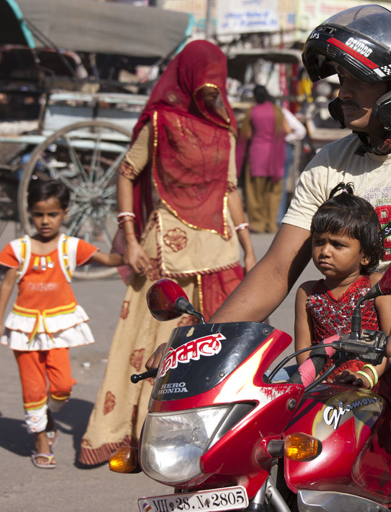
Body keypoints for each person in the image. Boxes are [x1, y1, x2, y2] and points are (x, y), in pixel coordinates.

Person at [149, 6, 391, 510]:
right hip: (344, 364)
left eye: (358, 79)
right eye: (340, 78)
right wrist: (202, 347)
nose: (342, 90)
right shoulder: (326, 164)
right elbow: (277, 268)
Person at [78, 40, 256, 466]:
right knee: (151, 347)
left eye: (219, 80)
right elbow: (126, 173)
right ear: (189, 75)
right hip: (164, 255)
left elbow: (230, 192)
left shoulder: (225, 129)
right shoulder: (160, 122)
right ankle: (140, 435)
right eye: (206, 79)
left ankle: (205, 438)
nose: (213, 88)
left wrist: (249, 250)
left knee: (216, 345)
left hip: (219, 252)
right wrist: (132, 238)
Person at [0, 179, 123, 469]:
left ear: (65, 213)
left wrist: (134, 250)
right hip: (24, 329)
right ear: (31, 213)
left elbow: (110, 259)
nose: (45, 220)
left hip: (58, 329)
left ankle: (48, 416)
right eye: (39, 214)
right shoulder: (19, 249)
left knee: (61, 386)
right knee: (33, 388)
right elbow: (6, 286)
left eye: (52, 214)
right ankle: (40, 439)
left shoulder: (71, 246)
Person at [294, 183, 391, 387]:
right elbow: (304, 350)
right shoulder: (307, 292)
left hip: (374, 382)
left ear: (366, 255)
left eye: (337, 245)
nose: (324, 251)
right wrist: (314, 383)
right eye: (319, 242)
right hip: (323, 383)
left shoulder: (377, 285)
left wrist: (366, 376)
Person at [237, 84, 290, 233]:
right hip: (275, 156)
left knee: (255, 192)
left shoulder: (252, 112)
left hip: (257, 155)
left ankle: (258, 224)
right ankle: (271, 224)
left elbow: (246, 134)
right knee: (273, 191)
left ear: (255, 96)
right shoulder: (277, 111)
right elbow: (287, 130)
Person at [277, 105, 307, 226]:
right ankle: (277, 218)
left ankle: (277, 218)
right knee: (280, 183)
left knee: (279, 183)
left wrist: (285, 139)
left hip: (277, 148)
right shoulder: (281, 111)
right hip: (279, 148)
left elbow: (300, 131)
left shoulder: (281, 111)